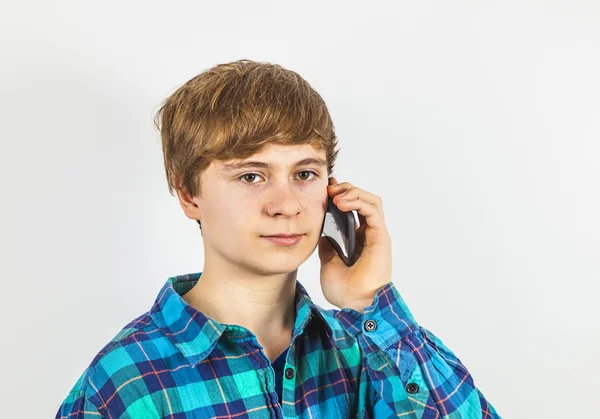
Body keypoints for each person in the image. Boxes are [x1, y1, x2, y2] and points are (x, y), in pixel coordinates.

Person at [56, 59, 501, 418]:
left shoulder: (370, 352)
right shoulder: (126, 384)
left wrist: (368, 299)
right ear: (190, 195)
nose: (286, 204)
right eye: (252, 175)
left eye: (305, 174)